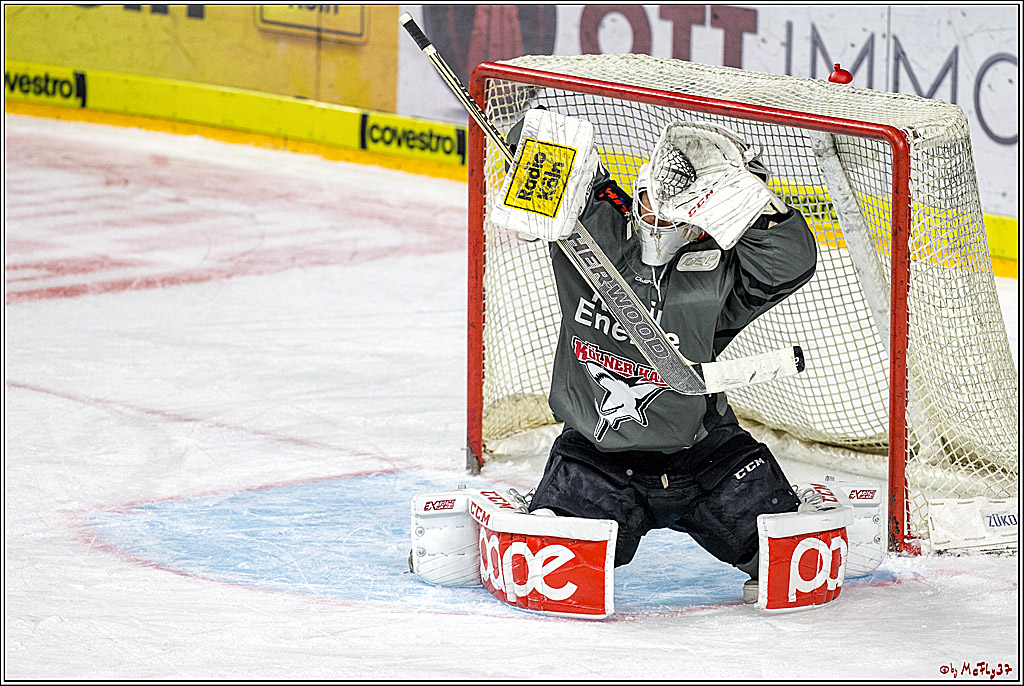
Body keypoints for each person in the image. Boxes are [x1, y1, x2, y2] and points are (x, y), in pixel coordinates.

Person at [507, 114, 819, 601]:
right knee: (552, 576)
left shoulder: (721, 267)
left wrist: (753, 201)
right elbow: (530, 140)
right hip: (597, 455)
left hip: (706, 454)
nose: (655, 221)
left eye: (674, 217)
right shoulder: (597, 225)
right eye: (649, 203)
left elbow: (790, 261)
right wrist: (544, 155)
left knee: (793, 565)